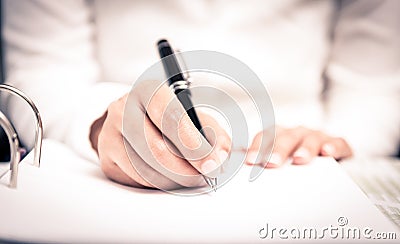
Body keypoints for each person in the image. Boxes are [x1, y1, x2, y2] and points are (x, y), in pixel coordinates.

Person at [1, 0, 399, 189]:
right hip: (101, 160)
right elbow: (40, 76)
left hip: (299, 162)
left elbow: (374, 90)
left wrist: (333, 141)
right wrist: (97, 121)